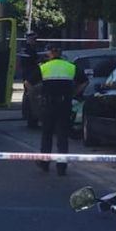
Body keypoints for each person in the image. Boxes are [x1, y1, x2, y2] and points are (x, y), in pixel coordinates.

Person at [38, 46, 77, 176]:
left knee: (47, 135)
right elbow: (84, 82)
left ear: (50, 54)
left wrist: (38, 94)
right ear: (60, 53)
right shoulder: (70, 66)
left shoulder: (44, 67)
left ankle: (44, 163)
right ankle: (61, 167)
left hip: (48, 105)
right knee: (62, 136)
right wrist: (73, 94)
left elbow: (28, 82)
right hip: (64, 105)